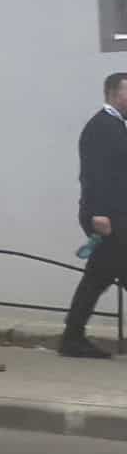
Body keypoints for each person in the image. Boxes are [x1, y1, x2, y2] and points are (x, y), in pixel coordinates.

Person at [62, 73, 127, 358]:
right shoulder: (101, 126)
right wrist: (98, 214)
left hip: (115, 213)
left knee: (98, 276)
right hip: (106, 216)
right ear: (113, 94)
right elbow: (94, 173)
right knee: (98, 276)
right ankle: (72, 337)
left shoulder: (117, 125)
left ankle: (72, 337)